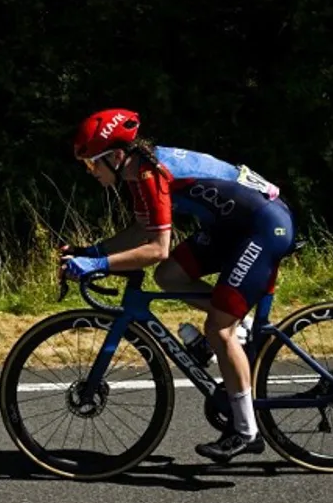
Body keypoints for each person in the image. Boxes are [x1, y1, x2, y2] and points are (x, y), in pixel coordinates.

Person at [60, 108, 295, 462]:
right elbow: (142, 231)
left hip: (263, 227)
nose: (92, 173)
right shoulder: (138, 171)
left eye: (94, 164)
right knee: (169, 275)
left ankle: (246, 431)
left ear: (117, 156)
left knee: (218, 328)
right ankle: (239, 325)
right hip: (232, 227)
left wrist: (97, 264)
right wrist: (91, 251)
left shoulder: (152, 173)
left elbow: (157, 248)